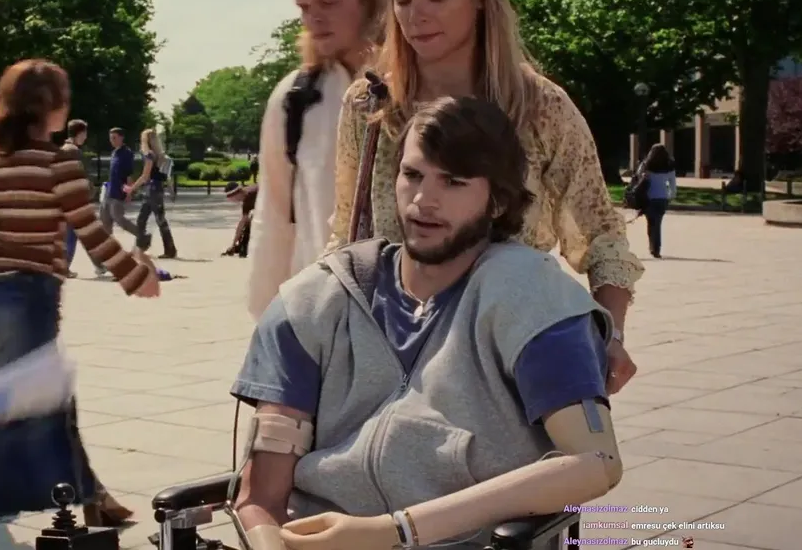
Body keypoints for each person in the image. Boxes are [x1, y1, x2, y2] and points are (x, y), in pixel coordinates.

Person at [229, 97, 623, 550]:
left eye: (453, 182)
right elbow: (261, 497)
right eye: (413, 175)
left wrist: (394, 530)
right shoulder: (314, 301)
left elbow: (597, 462)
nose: (422, 201)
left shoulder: (535, 298)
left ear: (498, 201)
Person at [328, 0, 643, 394]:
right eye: (402, 0)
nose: (415, 16)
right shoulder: (370, 105)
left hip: (510, 355)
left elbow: (601, 237)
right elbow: (347, 231)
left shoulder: (541, 107)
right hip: (392, 357)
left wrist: (612, 335)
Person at [0, 59, 159, 524]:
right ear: (49, 106)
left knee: (47, 393)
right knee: (13, 405)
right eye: (63, 99)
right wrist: (135, 276)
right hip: (31, 295)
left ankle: (93, 498)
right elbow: (88, 228)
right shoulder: (57, 161)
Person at [247, 0, 386, 320]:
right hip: (321, 317)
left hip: (413, 319)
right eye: (304, 8)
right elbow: (274, 216)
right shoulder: (295, 98)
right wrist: (268, 323)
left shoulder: (418, 84)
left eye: (328, 2)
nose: (314, 19)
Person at [92, 127, 146, 276]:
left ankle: (141, 234)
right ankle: (101, 262)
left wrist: (129, 192)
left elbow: (129, 174)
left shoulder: (126, 153)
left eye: (114, 137)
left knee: (119, 219)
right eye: (111, 138)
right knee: (105, 229)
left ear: (122, 137)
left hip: (118, 193)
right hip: (108, 193)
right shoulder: (114, 152)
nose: (112, 140)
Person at [128, 128, 178, 258]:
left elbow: (145, 176)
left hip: (151, 189)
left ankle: (142, 247)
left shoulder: (149, 155)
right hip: (157, 189)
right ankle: (166, 249)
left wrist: (132, 188)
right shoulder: (162, 156)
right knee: (155, 219)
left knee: (145, 220)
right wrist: (171, 191)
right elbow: (167, 177)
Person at [61, 118, 90, 275]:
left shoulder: (63, 149)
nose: (86, 137)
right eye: (84, 133)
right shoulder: (74, 151)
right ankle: (64, 267)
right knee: (72, 235)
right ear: (79, 133)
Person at [638, 144, 677, 258]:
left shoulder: (646, 165)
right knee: (658, 223)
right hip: (662, 198)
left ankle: (652, 246)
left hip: (649, 197)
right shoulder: (669, 166)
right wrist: (671, 196)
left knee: (651, 223)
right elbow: (672, 184)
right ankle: (656, 248)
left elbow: (638, 175)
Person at [222, 181, 258, 257]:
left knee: (250, 221)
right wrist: (233, 244)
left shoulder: (251, 194)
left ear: (236, 194)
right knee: (248, 221)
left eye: (233, 199)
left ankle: (244, 246)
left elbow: (242, 224)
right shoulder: (246, 198)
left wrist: (233, 244)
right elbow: (242, 223)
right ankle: (243, 246)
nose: (234, 202)